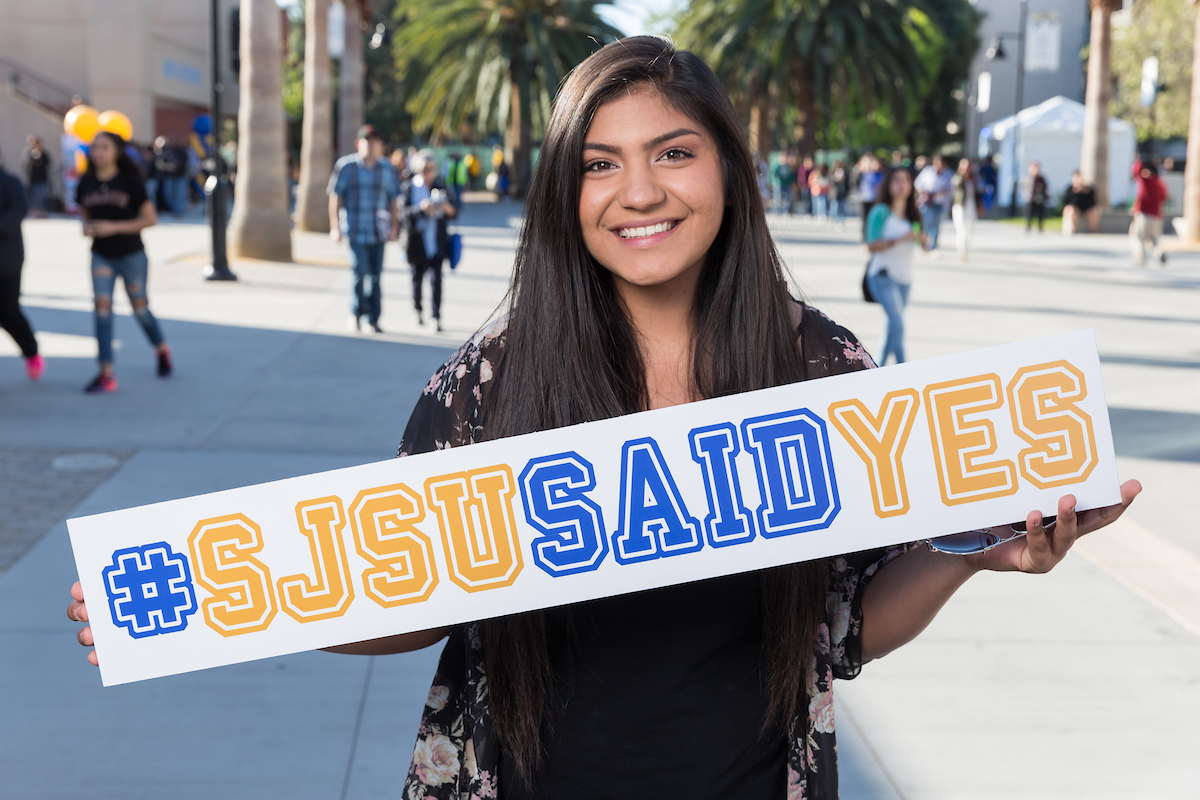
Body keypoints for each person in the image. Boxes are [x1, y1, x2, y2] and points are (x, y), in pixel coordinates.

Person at [67, 36, 1142, 800]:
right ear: (563, 191)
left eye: (673, 151)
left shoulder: (821, 369)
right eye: (600, 162)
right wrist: (220, 595)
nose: (640, 191)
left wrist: (970, 551)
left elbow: (850, 620)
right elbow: (403, 597)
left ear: (726, 167)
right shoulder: (489, 384)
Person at [75, 131, 172, 393]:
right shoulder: (87, 182)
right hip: (101, 254)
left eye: (104, 147)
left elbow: (150, 219)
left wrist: (113, 227)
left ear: (116, 151)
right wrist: (87, 227)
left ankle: (161, 348)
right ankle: (106, 371)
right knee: (102, 309)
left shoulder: (130, 181)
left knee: (140, 308)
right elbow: (85, 214)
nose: (98, 152)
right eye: (95, 147)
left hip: (131, 254)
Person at [328, 124, 401, 334]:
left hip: (378, 231)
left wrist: (394, 227)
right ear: (358, 144)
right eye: (366, 141)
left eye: (375, 141)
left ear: (381, 145)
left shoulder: (387, 168)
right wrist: (335, 226)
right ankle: (356, 314)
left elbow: (393, 199)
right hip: (355, 229)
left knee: (375, 277)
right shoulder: (346, 166)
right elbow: (335, 195)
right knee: (359, 272)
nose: (371, 145)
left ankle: (373, 318)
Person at [865, 166, 926, 365]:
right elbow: (872, 245)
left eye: (906, 180)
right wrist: (898, 239)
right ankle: (903, 372)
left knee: (891, 328)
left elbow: (921, 245)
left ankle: (878, 370)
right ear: (888, 184)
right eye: (897, 180)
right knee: (898, 326)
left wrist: (924, 241)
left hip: (905, 278)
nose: (902, 185)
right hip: (883, 275)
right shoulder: (881, 211)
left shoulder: (913, 213)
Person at [0, 145, 43, 380]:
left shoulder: (11, 183)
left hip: (6, 262)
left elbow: (17, 212)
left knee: (8, 313)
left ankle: (31, 351)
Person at [400, 150, 456, 331]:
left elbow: (454, 211)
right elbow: (402, 214)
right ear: (417, 169)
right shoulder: (410, 187)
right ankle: (418, 310)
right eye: (425, 169)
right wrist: (421, 209)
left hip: (437, 241)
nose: (428, 173)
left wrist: (445, 206)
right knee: (417, 278)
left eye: (431, 169)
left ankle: (436, 316)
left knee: (436, 279)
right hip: (417, 241)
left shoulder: (440, 186)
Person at [1130, 159, 1168, 267]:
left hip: (1143, 214)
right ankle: (1158, 252)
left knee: (1137, 236)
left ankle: (1140, 259)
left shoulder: (1145, 181)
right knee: (1154, 238)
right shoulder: (1159, 183)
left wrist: (1139, 160)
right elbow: (1164, 197)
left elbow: (1135, 171)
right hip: (1156, 215)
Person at [913, 155, 951, 256]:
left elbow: (950, 189)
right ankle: (924, 243)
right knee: (926, 224)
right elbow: (918, 183)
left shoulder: (947, 174)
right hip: (927, 202)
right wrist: (923, 192)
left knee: (936, 225)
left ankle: (933, 246)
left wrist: (941, 192)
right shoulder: (927, 172)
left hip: (939, 203)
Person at [950, 158, 977, 262]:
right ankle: (962, 251)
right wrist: (962, 174)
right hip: (960, 206)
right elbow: (956, 184)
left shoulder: (973, 179)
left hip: (971, 205)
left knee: (970, 230)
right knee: (962, 230)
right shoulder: (958, 177)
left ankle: (965, 249)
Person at [19, 135, 52, 218]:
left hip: (42, 179)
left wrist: (40, 155)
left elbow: (48, 163)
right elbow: (25, 164)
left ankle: (42, 212)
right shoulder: (27, 152)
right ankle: (34, 212)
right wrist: (33, 157)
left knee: (42, 197)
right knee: (32, 198)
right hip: (31, 179)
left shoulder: (43, 153)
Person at [858, 154, 883, 241]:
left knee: (873, 218)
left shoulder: (878, 174)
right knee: (865, 218)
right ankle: (865, 237)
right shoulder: (862, 174)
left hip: (874, 199)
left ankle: (873, 236)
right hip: (864, 198)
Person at [1019, 161, 1049, 233]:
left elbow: (1045, 187)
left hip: (1039, 198)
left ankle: (1040, 227)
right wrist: (1026, 195)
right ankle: (1028, 226)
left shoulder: (1041, 178)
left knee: (1040, 212)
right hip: (1029, 198)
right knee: (1029, 211)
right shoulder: (1026, 177)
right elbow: (1022, 187)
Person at [829, 160, 849, 230]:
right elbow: (831, 182)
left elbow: (848, 184)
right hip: (835, 193)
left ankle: (841, 221)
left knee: (841, 208)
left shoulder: (845, 173)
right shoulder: (832, 173)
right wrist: (835, 179)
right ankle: (833, 219)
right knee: (834, 208)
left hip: (842, 193)